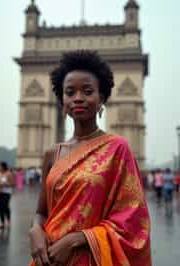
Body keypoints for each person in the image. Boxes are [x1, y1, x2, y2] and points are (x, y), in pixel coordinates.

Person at [29, 50, 152, 266]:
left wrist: (79, 239)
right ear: (62, 100)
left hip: (91, 259)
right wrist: (35, 229)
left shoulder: (118, 148)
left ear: (101, 98)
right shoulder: (52, 154)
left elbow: (133, 220)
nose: (78, 98)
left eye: (87, 91)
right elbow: (41, 212)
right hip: (50, 258)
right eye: (70, 92)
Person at [0, 162, 14, 229]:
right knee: (0, 208)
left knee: (5, 207)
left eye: (0, 166)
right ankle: (2, 223)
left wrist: (3, 184)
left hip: (6, 193)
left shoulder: (9, 173)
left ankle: (8, 222)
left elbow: (12, 184)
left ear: (3, 167)